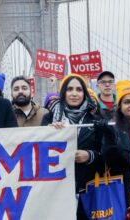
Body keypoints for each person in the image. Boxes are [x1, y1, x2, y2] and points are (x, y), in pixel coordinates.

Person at [41, 73, 103, 220]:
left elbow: (107, 153)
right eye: (69, 89)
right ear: (63, 93)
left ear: (85, 93)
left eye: (79, 89)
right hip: (57, 190)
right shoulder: (49, 118)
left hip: (88, 189)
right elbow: (39, 154)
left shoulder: (95, 119)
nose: (74, 93)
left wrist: (90, 155)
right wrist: (48, 134)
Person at [99, 80, 130, 218]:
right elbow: (110, 159)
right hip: (124, 194)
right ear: (120, 107)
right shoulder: (113, 128)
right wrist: (109, 138)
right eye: (127, 102)